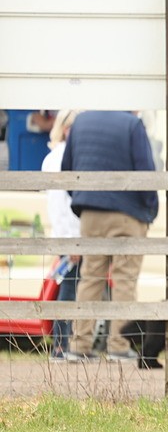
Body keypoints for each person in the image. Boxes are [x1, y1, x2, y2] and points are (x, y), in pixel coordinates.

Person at [60, 111, 159, 362]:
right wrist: (150, 208)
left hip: (90, 211)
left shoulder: (80, 121)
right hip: (128, 214)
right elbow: (145, 172)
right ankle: (118, 345)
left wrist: (83, 199)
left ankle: (78, 345)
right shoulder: (132, 124)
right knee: (124, 279)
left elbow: (67, 169)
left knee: (90, 277)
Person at [42, 110, 80, 362]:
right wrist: (75, 239)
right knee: (70, 289)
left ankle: (63, 345)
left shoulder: (51, 157)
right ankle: (61, 347)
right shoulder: (68, 156)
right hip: (73, 234)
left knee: (70, 287)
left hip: (63, 233)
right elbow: (68, 204)